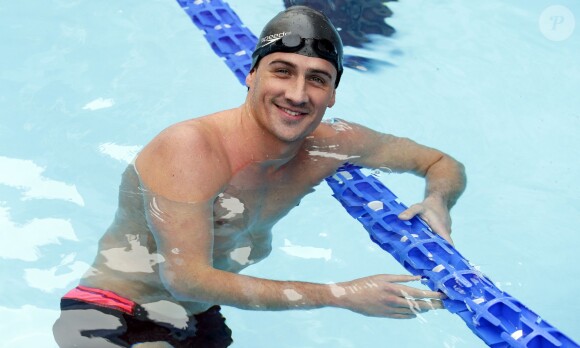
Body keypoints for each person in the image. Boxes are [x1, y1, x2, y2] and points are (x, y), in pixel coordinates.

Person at [53, 5, 466, 348]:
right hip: (110, 314)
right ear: (252, 75)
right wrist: (340, 295)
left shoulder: (336, 143)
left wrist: (438, 200)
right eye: (282, 71)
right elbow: (186, 279)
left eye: (317, 79)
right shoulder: (191, 148)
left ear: (334, 92)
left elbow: (443, 163)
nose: (298, 94)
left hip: (196, 318)